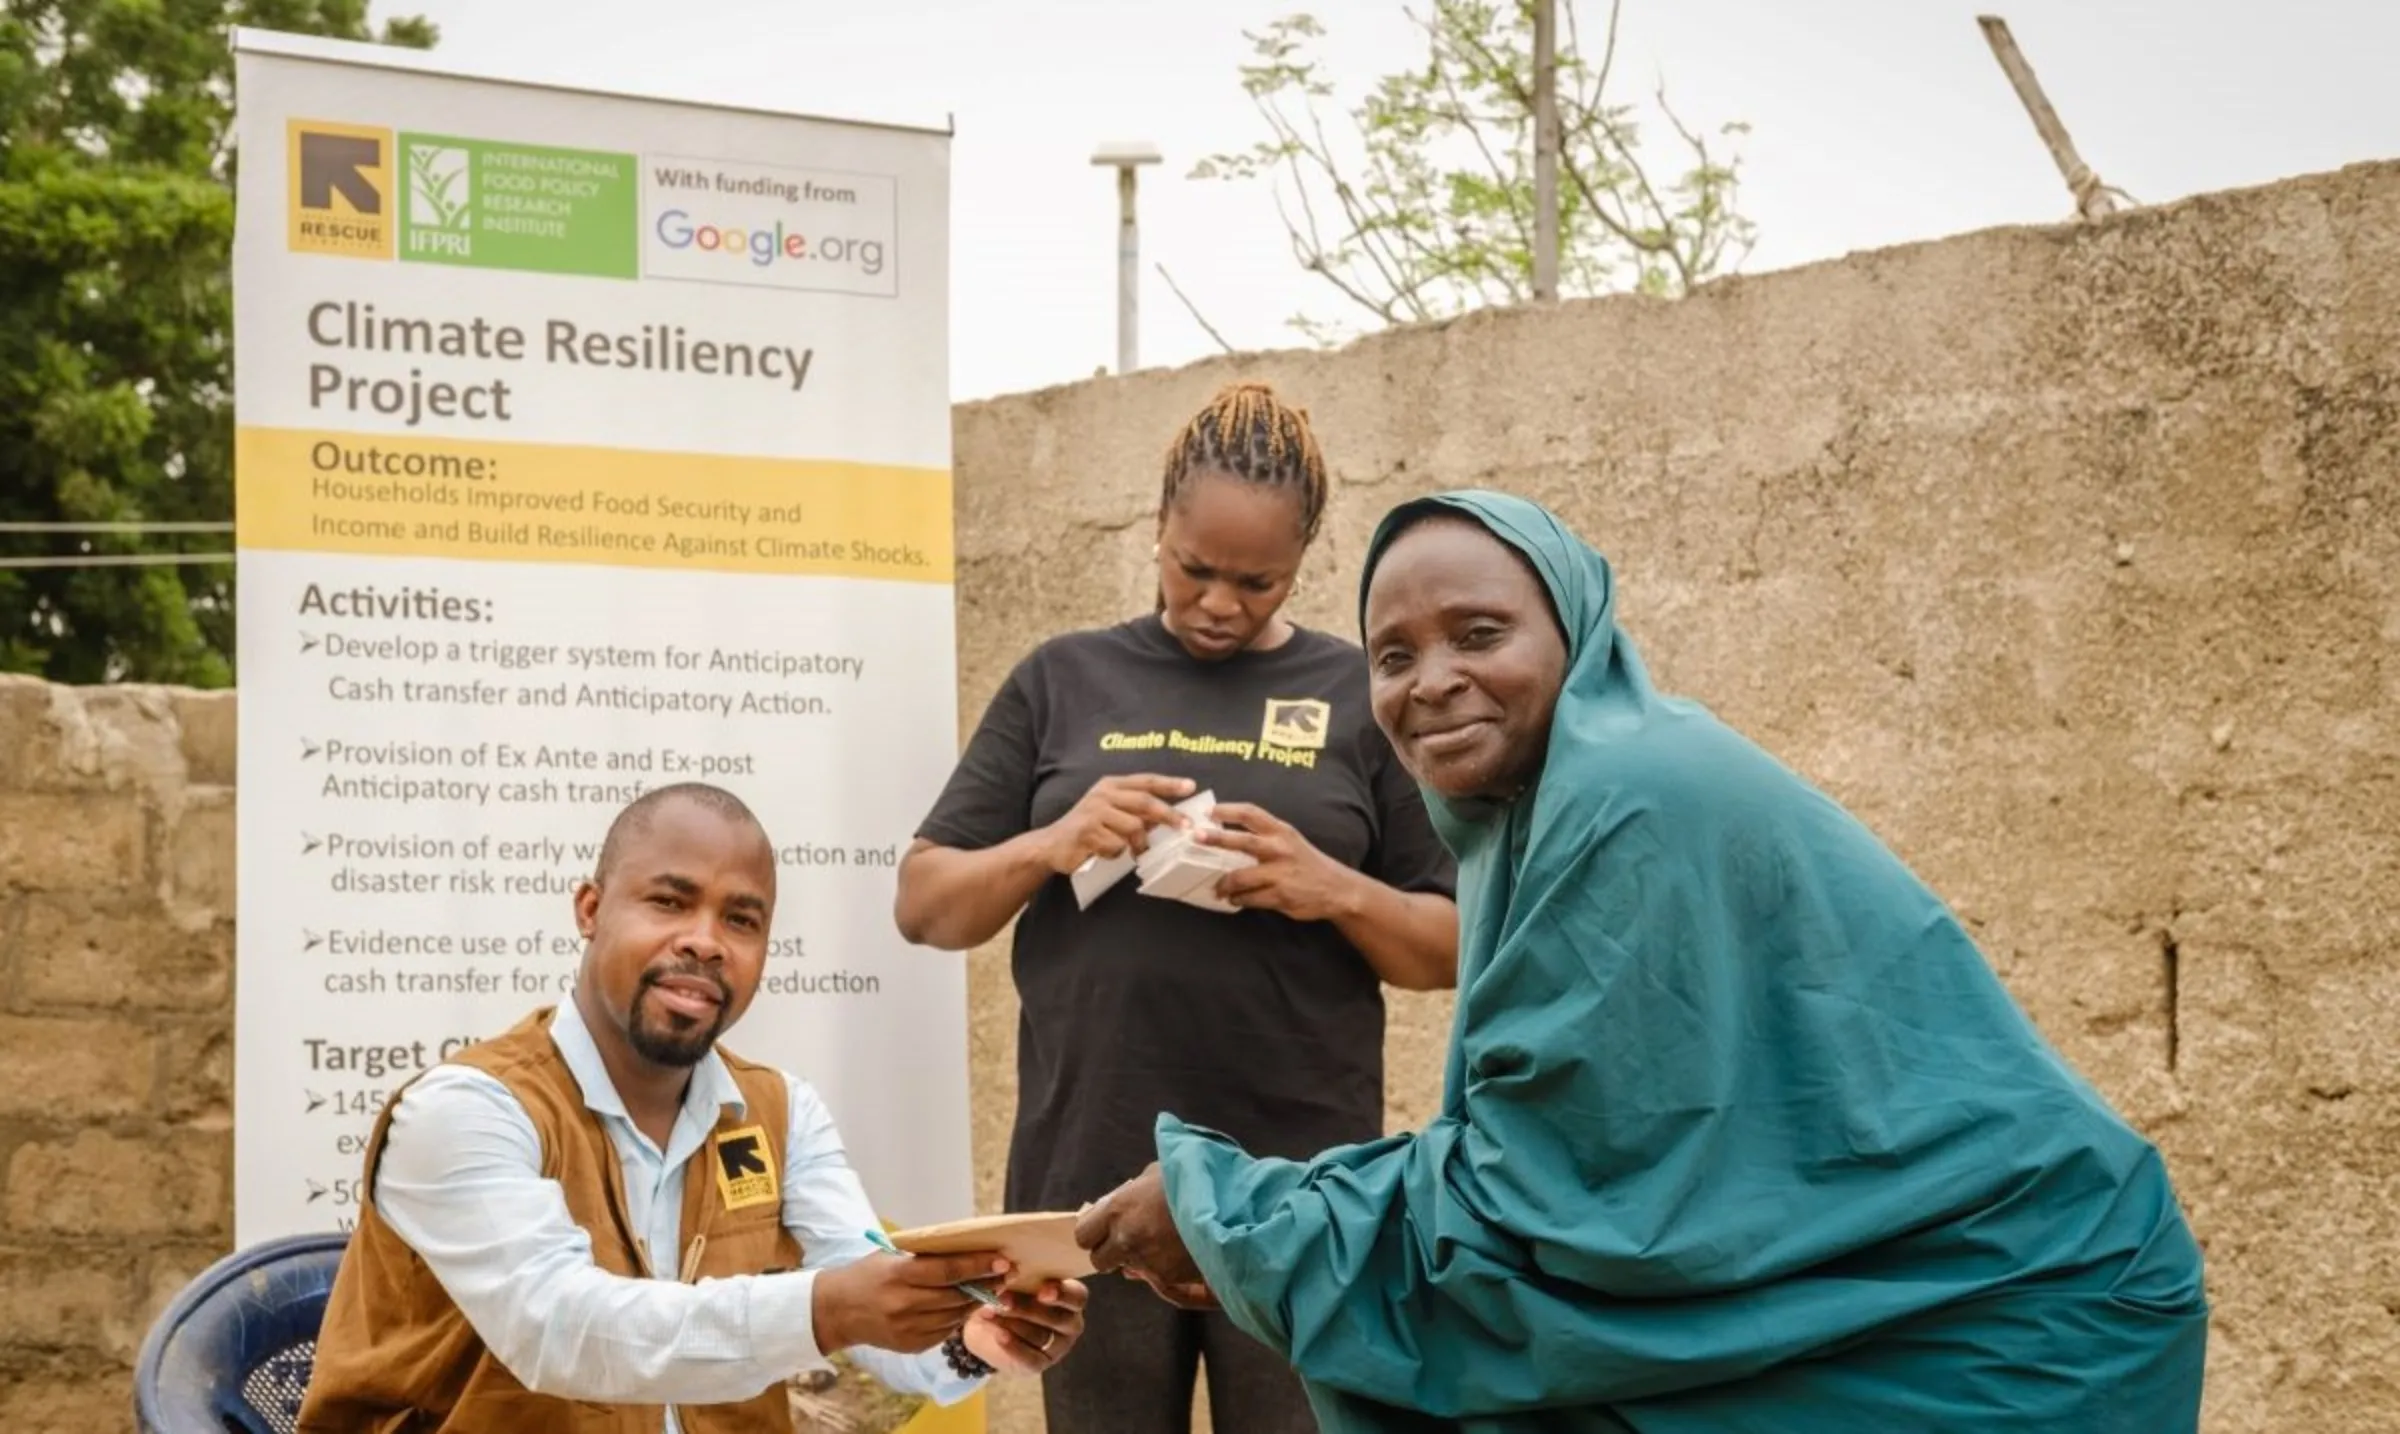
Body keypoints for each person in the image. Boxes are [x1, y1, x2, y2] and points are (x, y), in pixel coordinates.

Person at [1074, 489, 2212, 1432]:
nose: (1431, 681)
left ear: (1575, 630)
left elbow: (1560, 1210)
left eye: (1480, 635)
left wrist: (1234, 1215)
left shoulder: (1627, 797)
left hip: (2009, 1312)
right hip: (1896, 1289)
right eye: (1391, 654)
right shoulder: (1531, 818)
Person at [891, 380, 1461, 1434]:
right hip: (1089, 1187)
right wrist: (1052, 843)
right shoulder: (1063, 679)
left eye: (1258, 581)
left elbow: (1449, 945)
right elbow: (926, 905)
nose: (1218, 603)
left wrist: (1325, 884)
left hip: (1297, 1195)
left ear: (1304, 564)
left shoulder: (1356, 698)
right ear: (1157, 527)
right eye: (1195, 568)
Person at [298, 782, 1089, 1434]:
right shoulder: (465, 1110)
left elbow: (869, 1293)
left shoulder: (777, 1113)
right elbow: (560, 1332)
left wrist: (974, 1337)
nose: (706, 942)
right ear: (589, 910)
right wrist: (826, 1309)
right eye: (670, 903)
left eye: (740, 920)